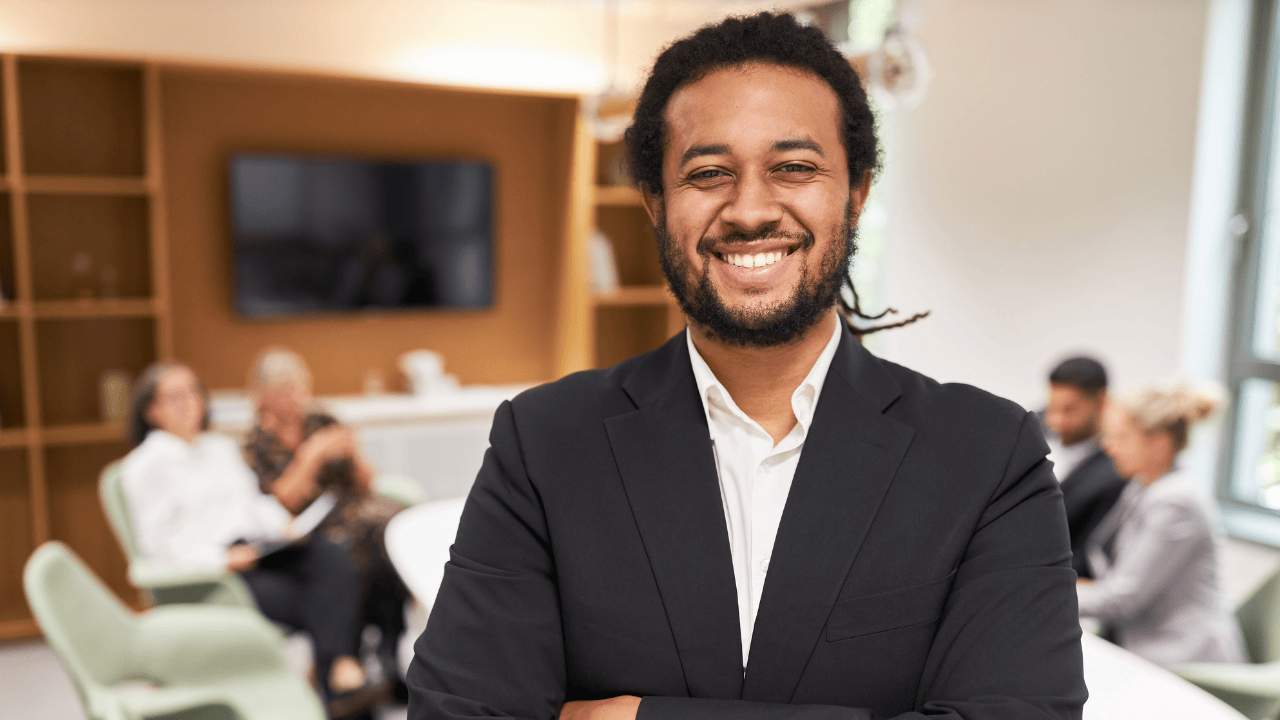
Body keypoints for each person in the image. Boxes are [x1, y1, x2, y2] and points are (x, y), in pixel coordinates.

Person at [408, 12, 1085, 720]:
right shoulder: (546, 441)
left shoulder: (987, 454)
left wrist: (641, 718)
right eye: (708, 174)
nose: (751, 210)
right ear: (657, 204)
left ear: (856, 194)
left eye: (794, 168)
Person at [119, 361, 385, 718]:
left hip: (260, 548)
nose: (187, 403)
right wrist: (221, 559)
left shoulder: (220, 449)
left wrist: (285, 526)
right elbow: (157, 547)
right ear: (151, 410)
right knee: (322, 597)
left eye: (193, 393)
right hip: (218, 572)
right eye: (174, 397)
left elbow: (253, 503)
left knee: (333, 554)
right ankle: (342, 680)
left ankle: (339, 680)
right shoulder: (144, 466)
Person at [242, 347, 410, 701]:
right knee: (355, 550)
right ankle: (348, 662)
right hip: (302, 527)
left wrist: (352, 452)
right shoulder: (256, 442)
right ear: (264, 397)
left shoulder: (322, 420)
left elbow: (366, 481)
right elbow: (280, 502)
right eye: (286, 390)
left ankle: (386, 652)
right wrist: (312, 456)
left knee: (392, 532)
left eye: (301, 387)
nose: (297, 397)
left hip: (351, 508)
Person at [1080, 382, 1246, 667]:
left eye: (1121, 437)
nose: (1108, 447)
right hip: (1146, 644)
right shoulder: (1143, 487)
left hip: (1182, 657)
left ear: (1159, 444)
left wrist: (1046, 598)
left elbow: (1124, 599)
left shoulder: (1175, 503)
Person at [1042, 356, 1127, 578]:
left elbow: (1086, 555)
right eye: (1052, 408)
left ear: (1101, 402)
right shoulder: (1033, 433)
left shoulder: (1116, 469)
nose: (1056, 421)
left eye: (1069, 410)